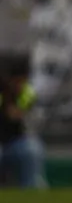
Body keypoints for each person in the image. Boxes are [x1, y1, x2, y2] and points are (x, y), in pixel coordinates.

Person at [0, 57, 45, 188]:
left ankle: (31, 188)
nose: (20, 84)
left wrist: (22, 114)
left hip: (15, 141)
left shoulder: (27, 92)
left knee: (33, 149)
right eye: (17, 81)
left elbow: (32, 119)